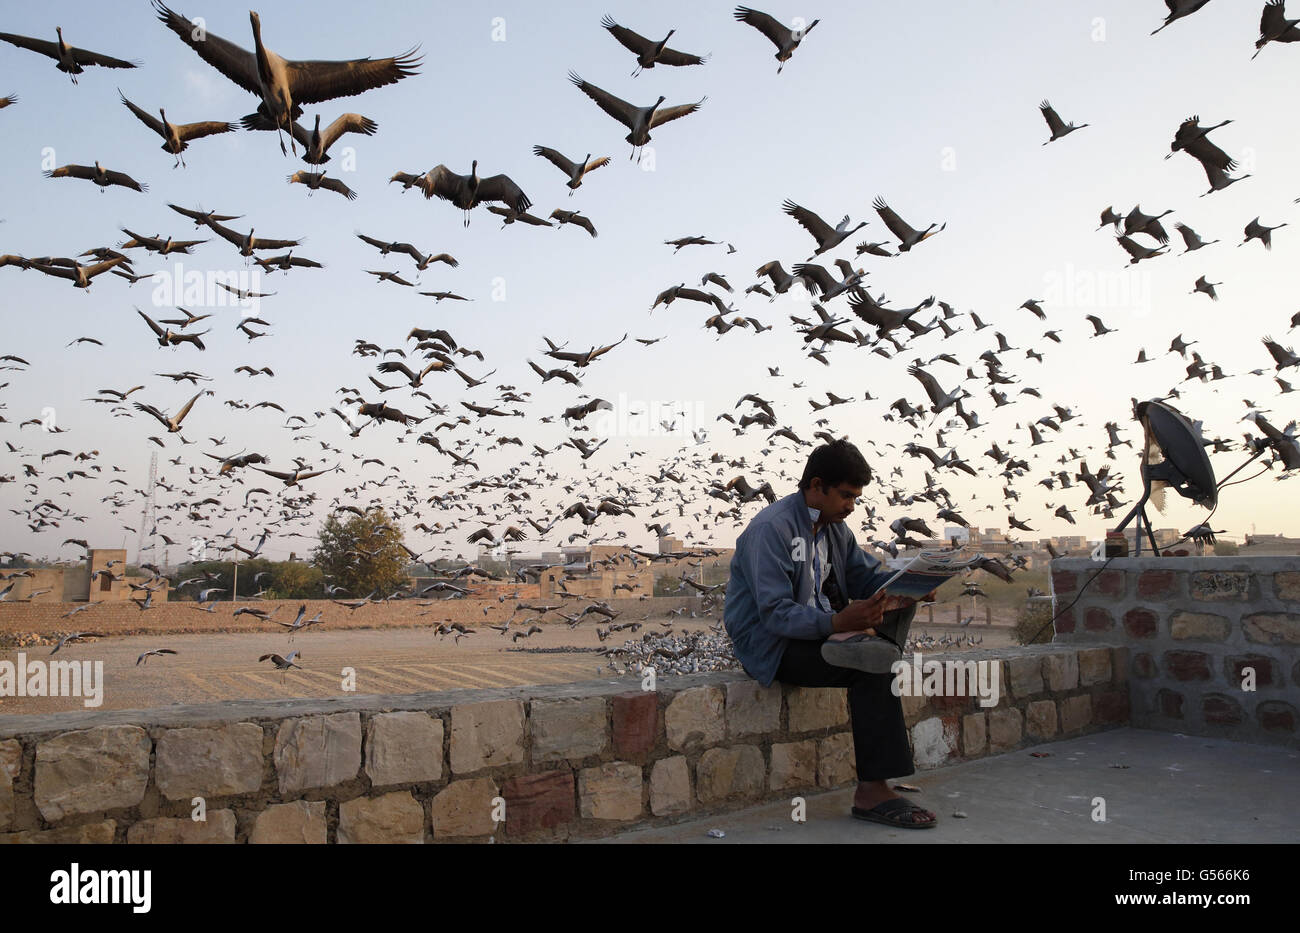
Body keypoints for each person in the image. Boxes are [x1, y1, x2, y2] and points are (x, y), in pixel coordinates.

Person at [723, 438, 937, 828]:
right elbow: (774, 614)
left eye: (856, 497)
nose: (851, 506)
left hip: (819, 634)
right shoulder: (772, 529)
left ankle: (877, 785)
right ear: (816, 486)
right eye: (845, 495)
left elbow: (865, 577)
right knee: (872, 665)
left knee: (886, 636)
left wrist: (914, 584)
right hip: (773, 646)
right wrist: (837, 624)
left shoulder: (836, 530)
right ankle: (873, 792)